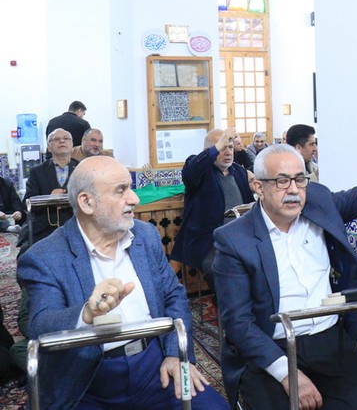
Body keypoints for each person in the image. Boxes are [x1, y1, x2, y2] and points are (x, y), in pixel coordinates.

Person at [213, 117, 357, 410]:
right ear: (258, 186)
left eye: (300, 179)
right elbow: (238, 322)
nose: (293, 190)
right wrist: (286, 374)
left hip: (329, 339)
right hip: (271, 345)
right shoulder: (233, 239)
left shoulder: (319, 201)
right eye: (281, 181)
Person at [17, 156, 228, 409]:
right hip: (87, 379)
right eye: (121, 190)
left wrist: (176, 354)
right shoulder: (44, 256)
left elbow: (174, 296)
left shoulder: (145, 235)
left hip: (153, 365)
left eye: (130, 188)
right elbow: (40, 324)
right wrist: (87, 314)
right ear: (87, 202)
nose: (135, 199)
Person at [170, 127, 254, 291]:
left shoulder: (239, 172)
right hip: (209, 242)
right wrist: (219, 145)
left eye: (230, 147)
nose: (228, 152)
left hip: (241, 238)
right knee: (220, 271)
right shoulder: (200, 171)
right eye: (222, 148)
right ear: (208, 151)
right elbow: (192, 170)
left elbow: (250, 204)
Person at [18, 128, 78, 256]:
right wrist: (49, 198)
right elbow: (26, 203)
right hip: (45, 227)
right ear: (49, 147)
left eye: (66, 138)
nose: (62, 141)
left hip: (75, 226)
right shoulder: (37, 171)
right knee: (27, 255)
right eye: (57, 139)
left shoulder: (82, 168)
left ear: (72, 145)